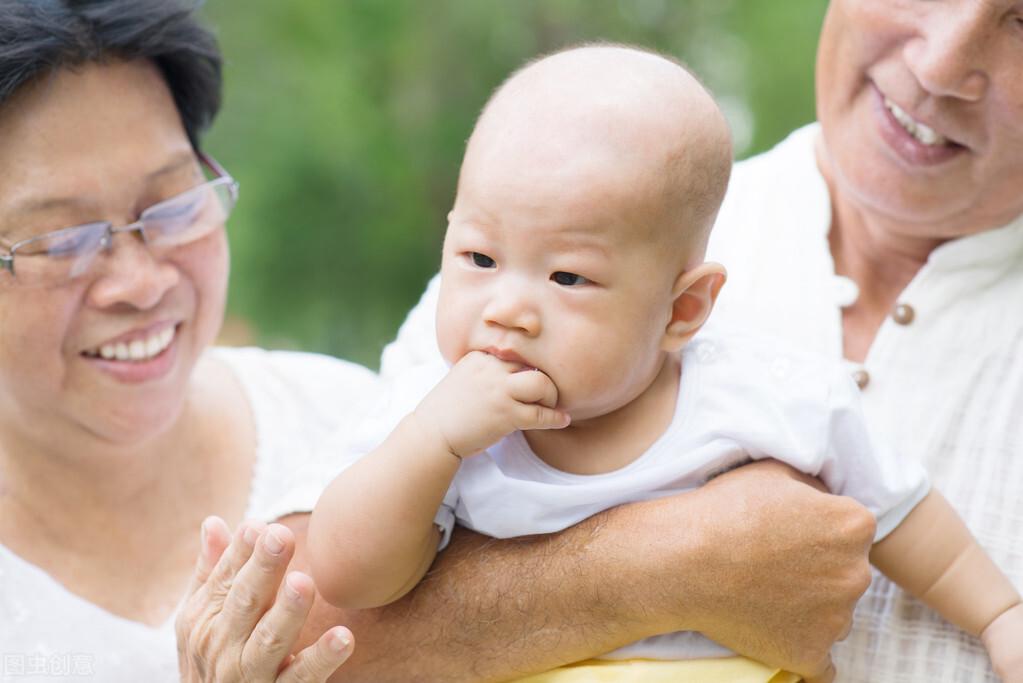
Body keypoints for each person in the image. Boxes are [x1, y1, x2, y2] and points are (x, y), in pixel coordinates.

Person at [0, 3, 876, 683]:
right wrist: (673, 564)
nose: (141, 280)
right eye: (56, 239)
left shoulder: (367, 412)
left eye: (172, 202)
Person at [178, 2, 1023, 682]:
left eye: (568, 281)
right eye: (475, 256)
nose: (507, 306)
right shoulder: (445, 398)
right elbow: (334, 590)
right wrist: (433, 442)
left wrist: (998, 614)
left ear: (683, 311)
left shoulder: (758, 388)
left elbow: (903, 508)